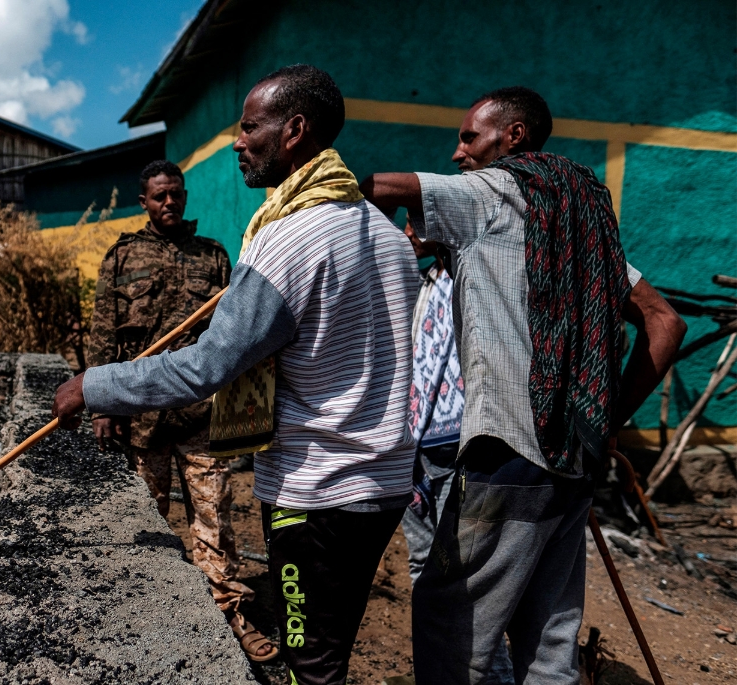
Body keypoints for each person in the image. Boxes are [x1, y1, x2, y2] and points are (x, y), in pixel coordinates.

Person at [53, 64, 418, 684]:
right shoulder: (385, 236)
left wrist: (95, 385)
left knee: (311, 666)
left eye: (250, 126)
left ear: (295, 130)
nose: (237, 141)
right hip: (382, 485)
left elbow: (209, 365)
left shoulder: (289, 237)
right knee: (329, 644)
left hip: (316, 492)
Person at [361, 86, 686, 684]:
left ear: (513, 138)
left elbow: (386, 186)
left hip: (505, 454)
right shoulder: (581, 222)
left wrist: (319, 183)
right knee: (548, 641)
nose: (458, 154)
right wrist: (605, 420)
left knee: (450, 626)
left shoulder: (495, 191)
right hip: (573, 460)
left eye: (468, 138)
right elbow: (665, 322)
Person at [86, 159, 272, 661]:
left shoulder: (212, 257)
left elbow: (232, 335)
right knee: (147, 521)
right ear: (144, 201)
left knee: (214, 518)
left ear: (185, 197)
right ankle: (145, 615)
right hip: (142, 420)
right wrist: (102, 405)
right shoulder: (122, 257)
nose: (170, 202)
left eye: (177, 194)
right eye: (159, 196)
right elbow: (102, 332)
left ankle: (230, 613)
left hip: (201, 416)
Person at [400, 223, 514, 684]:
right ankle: (445, 669)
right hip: (416, 444)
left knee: (468, 578)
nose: (408, 230)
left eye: (418, 222)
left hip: (468, 446)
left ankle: (491, 675)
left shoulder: (479, 278)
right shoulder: (423, 282)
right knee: (422, 561)